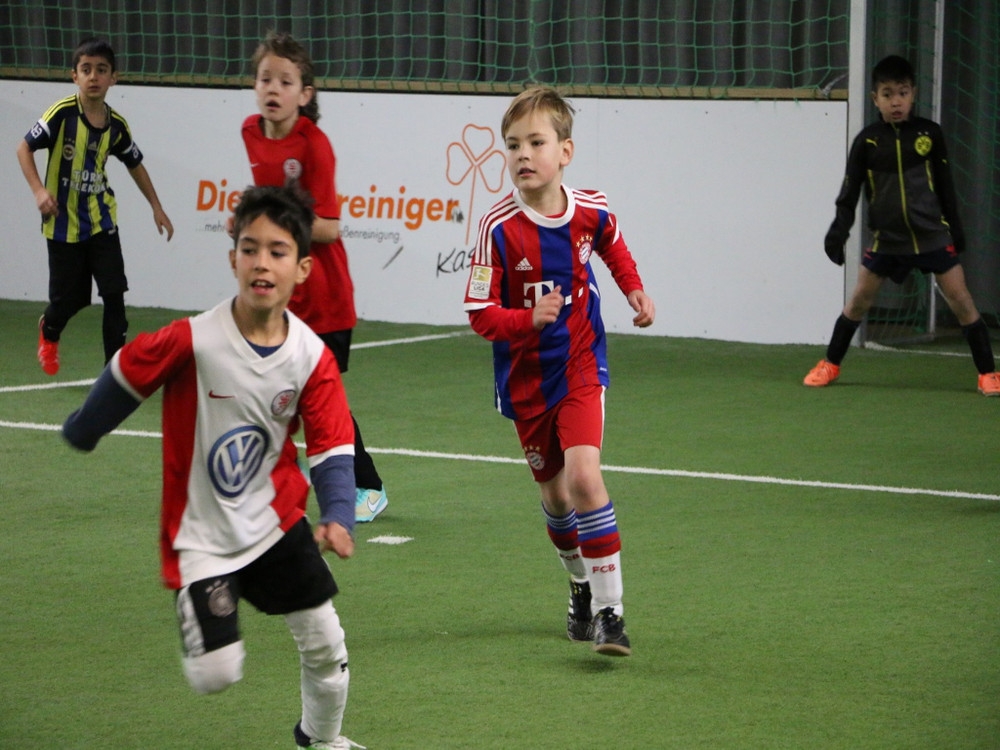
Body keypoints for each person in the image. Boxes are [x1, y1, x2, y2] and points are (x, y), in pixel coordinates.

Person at [62, 185, 365, 750]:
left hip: (276, 524)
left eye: (277, 251)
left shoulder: (311, 356)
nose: (261, 263)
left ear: (302, 268)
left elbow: (332, 447)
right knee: (215, 675)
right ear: (233, 259)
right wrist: (85, 427)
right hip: (202, 534)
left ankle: (322, 740)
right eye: (250, 249)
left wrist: (338, 516)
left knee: (327, 643)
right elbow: (129, 369)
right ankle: (195, 599)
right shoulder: (195, 339)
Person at [463, 86, 656, 657]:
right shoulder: (497, 228)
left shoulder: (590, 208)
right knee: (554, 497)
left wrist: (634, 289)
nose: (523, 154)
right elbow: (479, 314)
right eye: (512, 145)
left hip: (580, 365)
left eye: (536, 142)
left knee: (584, 477)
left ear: (565, 151)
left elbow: (612, 244)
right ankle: (579, 585)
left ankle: (611, 614)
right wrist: (527, 319)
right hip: (525, 382)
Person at [240, 31, 389, 522]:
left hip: (325, 295)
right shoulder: (251, 131)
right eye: (265, 79)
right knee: (274, 387)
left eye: (285, 82)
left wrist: (270, 218)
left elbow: (327, 227)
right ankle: (277, 476)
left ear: (305, 94)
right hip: (284, 292)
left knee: (321, 400)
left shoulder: (315, 146)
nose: (273, 88)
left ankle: (368, 487)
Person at [805, 54, 999, 396]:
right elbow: (849, 192)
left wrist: (955, 228)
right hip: (887, 240)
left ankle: (988, 373)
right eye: (888, 94)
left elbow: (945, 185)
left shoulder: (930, 134)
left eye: (903, 93)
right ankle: (830, 364)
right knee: (858, 301)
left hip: (932, 236)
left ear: (913, 94)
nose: (896, 101)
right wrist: (838, 231)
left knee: (962, 300)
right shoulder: (866, 142)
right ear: (875, 98)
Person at [16, 36, 174, 375]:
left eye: (101, 70)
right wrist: (39, 191)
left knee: (114, 293)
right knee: (70, 300)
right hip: (62, 223)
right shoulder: (61, 114)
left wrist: (156, 207)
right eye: (86, 69)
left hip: (102, 220)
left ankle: (112, 372)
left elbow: (135, 164)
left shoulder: (117, 126)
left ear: (113, 78)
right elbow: (23, 148)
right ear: (74, 76)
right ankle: (50, 329)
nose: (93, 77)